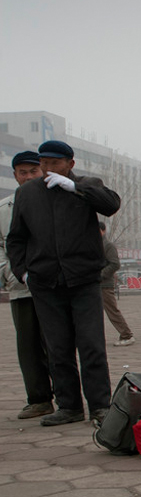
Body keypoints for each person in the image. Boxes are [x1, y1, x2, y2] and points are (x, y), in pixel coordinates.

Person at [7, 140, 120, 427]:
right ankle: (68, 405)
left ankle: (99, 406)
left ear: (70, 164)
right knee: (58, 347)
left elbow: (111, 204)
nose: (48, 168)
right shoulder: (27, 193)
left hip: (83, 279)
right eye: (44, 163)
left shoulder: (86, 185)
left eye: (55, 163)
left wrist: (76, 189)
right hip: (45, 281)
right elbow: (17, 238)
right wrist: (23, 272)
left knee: (91, 344)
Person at [0, 151, 54, 420]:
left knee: (58, 343)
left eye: (34, 171)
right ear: (15, 176)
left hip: (54, 286)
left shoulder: (56, 200)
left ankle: (69, 398)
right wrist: (10, 273)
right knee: (29, 345)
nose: (29, 176)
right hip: (20, 288)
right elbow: (2, 246)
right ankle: (39, 399)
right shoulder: (3, 209)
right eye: (23, 172)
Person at [99, 222, 135, 346]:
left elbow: (115, 264)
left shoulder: (108, 246)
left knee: (112, 311)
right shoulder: (96, 244)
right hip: (94, 285)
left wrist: (100, 275)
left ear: (102, 231)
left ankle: (126, 335)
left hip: (104, 285)